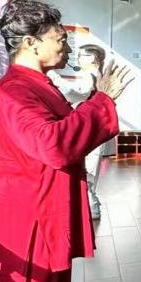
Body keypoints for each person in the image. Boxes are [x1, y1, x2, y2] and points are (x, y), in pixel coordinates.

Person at [0, 0, 130, 282]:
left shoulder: (37, 82)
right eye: (57, 37)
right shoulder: (15, 90)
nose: (65, 44)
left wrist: (94, 102)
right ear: (30, 43)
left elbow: (65, 128)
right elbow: (55, 144)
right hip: (28, 216)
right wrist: (102, 101)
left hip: (42, 209)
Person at [51, 43, 113, 220]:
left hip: (91, 126)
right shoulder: (92, 75)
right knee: (89, 168)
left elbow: (74, 94)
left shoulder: (91, 76)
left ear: (93, 59)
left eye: (81, 56)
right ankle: (91, 206)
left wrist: (54, 77)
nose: (76, 58)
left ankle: (91, 208)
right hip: (92, 126)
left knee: (89, 169)